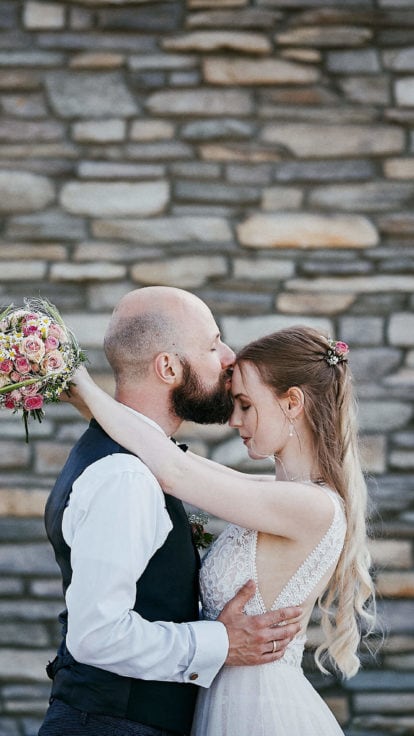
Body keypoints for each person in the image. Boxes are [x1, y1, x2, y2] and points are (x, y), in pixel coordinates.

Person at [71, 324, 376, 736]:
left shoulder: (311, 506)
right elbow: (164, 452)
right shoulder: (275, 494)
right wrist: (84, 401)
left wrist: (81, 380)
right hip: (224, 700)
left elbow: (173, 470)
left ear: (293, 403)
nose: (234, 420)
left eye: (245, 405)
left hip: (261, 712)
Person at [38, 286, 301, 736]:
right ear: (169, 367)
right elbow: (96, 635)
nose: (228, 357)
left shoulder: (137, 461)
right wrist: (222, 642)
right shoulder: (125, 476)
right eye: (212, 343)